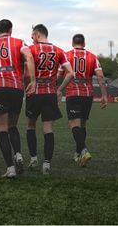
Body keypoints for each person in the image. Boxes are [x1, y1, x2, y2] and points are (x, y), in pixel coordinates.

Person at [0, 19, 36, 178]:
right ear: (11, 30)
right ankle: (18, 154)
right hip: (16, 88)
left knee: (2, 129)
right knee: (12, 125)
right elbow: (29, 58)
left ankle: (10, 168)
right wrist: (32, 80)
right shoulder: (20, 42)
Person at [25, 24, 74, 174]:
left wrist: (28, 84)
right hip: (50, 93)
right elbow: (71, 73)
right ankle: (47, 163)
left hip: (34, 92)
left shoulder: (31, 50)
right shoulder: (59, 51)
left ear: (37, 34)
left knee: (31, 126)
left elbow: (27, 73)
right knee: (48, 129)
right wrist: (59, 89)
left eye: (32, 35)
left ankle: (33, 158)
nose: (31, 39)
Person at [59, 33, 107, 167]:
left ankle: (84, 151)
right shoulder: (93, 57)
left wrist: (58, 89)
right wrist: (103, 95)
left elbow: (59, 74)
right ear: (84, 43)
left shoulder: (66, 55)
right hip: (88, 94)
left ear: (72, 43)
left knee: (74, 124)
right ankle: (78, 153)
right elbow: (101, 78)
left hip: (73, 93)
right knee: (83, 124)